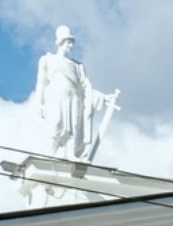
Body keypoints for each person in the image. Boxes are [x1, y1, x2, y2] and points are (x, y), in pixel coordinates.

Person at [33, 26, 117, 160]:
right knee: (56, 123)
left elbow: (86, 88)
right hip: (56, 98)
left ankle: (71, 154)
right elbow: (41, 83)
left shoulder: (78, 66)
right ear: (61, 42)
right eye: (68, 42)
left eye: (72, 42)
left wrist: (105, 98)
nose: (71, 45)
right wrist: (40, 104)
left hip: (74, 99)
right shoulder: (48, 60)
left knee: (73, 127)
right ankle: (49, 154)